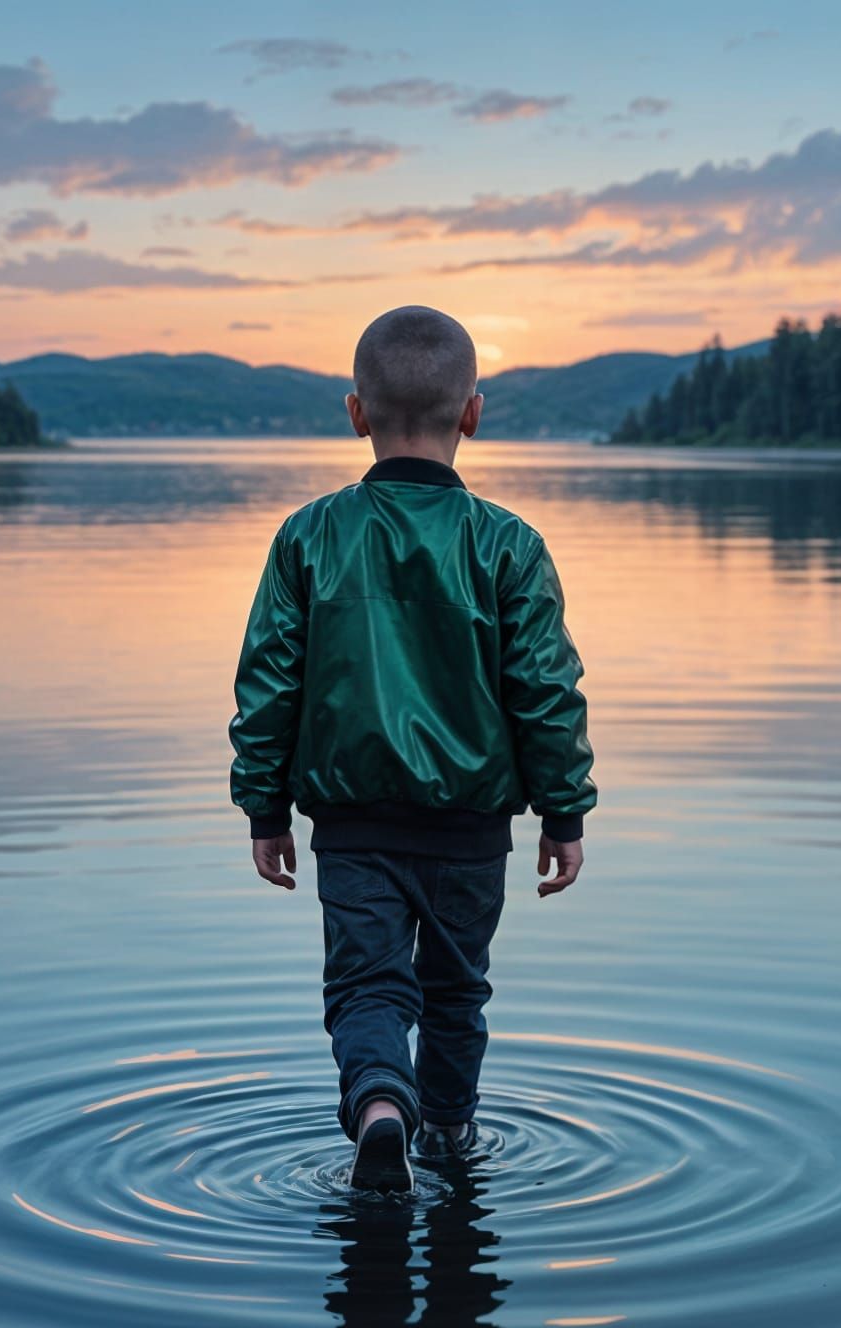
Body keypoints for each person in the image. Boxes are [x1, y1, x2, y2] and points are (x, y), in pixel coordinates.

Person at [228, 305, 597, 1193]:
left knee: (366, 990)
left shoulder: (309, 534)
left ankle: (381, 1111)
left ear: (356, 413)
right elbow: (545, 691)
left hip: (352, 824)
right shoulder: (510, 545)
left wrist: (265, 807)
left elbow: (269, 682)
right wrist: (564, 811)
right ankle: (450, 1138)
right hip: (471, 829)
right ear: (473, 413)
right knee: (457, 992)